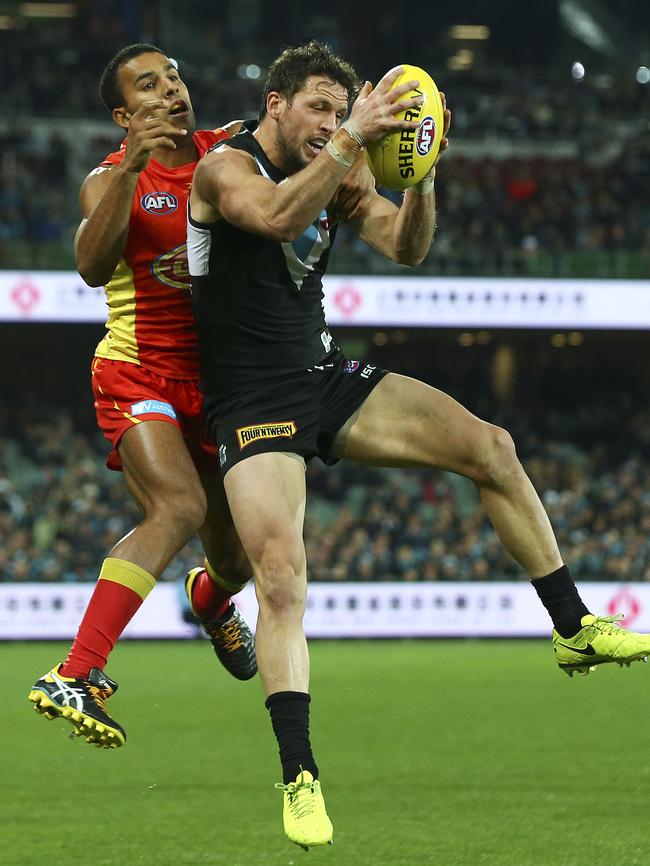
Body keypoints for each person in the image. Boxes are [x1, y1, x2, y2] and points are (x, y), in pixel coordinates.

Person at [187, 40, 650, 850]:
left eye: (340, 108)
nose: (332, 122)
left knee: (492, 447)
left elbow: (406, 245)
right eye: (319, 108)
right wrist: (352, 139)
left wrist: (421, 171)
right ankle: (299, 776)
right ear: (276, 104)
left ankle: (572, 624)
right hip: (251, 398)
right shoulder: (225, 167)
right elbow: (274, 217)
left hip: (322, 376)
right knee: (283, 581)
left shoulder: (341, 165)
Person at [27, 44, 260, 750]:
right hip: (138, 373)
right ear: (125, 116)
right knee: (178, 506)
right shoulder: (109, 180)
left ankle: (208, 598)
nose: (170, 92)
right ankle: (76, 672)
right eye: (149, 87)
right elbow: (92, 267)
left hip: (219, 387)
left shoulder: (229, 152)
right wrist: (131, 167)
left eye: (175, 77)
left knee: (236, 561)